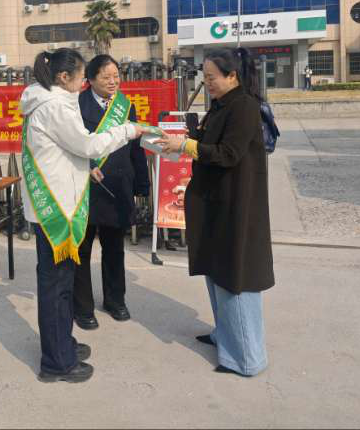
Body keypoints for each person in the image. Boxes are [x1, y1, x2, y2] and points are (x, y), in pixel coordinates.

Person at [20, 48, 144, 383]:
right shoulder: (54, 106)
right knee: (56, 286)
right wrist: (127, 131)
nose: (84, 83)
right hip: (57, 210)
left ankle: (63, 344)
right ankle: (56, 363)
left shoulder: (47, 99)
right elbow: (88, 146)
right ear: (65, 77)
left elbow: (68, 149)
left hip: (58, 204)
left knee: (61, 283)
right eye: (81, 76)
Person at [155, 47, 274, 377]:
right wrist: (182, 138)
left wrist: (185, 145)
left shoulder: (244, 106)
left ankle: (246, 359)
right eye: (204, 77)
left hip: (236, 204)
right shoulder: (222, 104)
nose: (206, 83)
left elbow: (228, 153)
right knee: (217, 272)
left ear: (232, 76)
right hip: (215, 201)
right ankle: (225, 334)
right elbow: (208, 144)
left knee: (235, 278)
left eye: (212, 77)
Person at [73, 54, 150, 330]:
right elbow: (71, 144)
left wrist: (142, 183)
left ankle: (115, 300)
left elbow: (135, 147)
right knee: (81, 250)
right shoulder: (76, 105)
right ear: (90, 79)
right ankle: (82, 307)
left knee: (115, 249)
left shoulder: (125, 106)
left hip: (118, 186)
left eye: (116, 76)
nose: (113, 81)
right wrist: (89, 165)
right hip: (87, 187)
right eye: (106, 77)